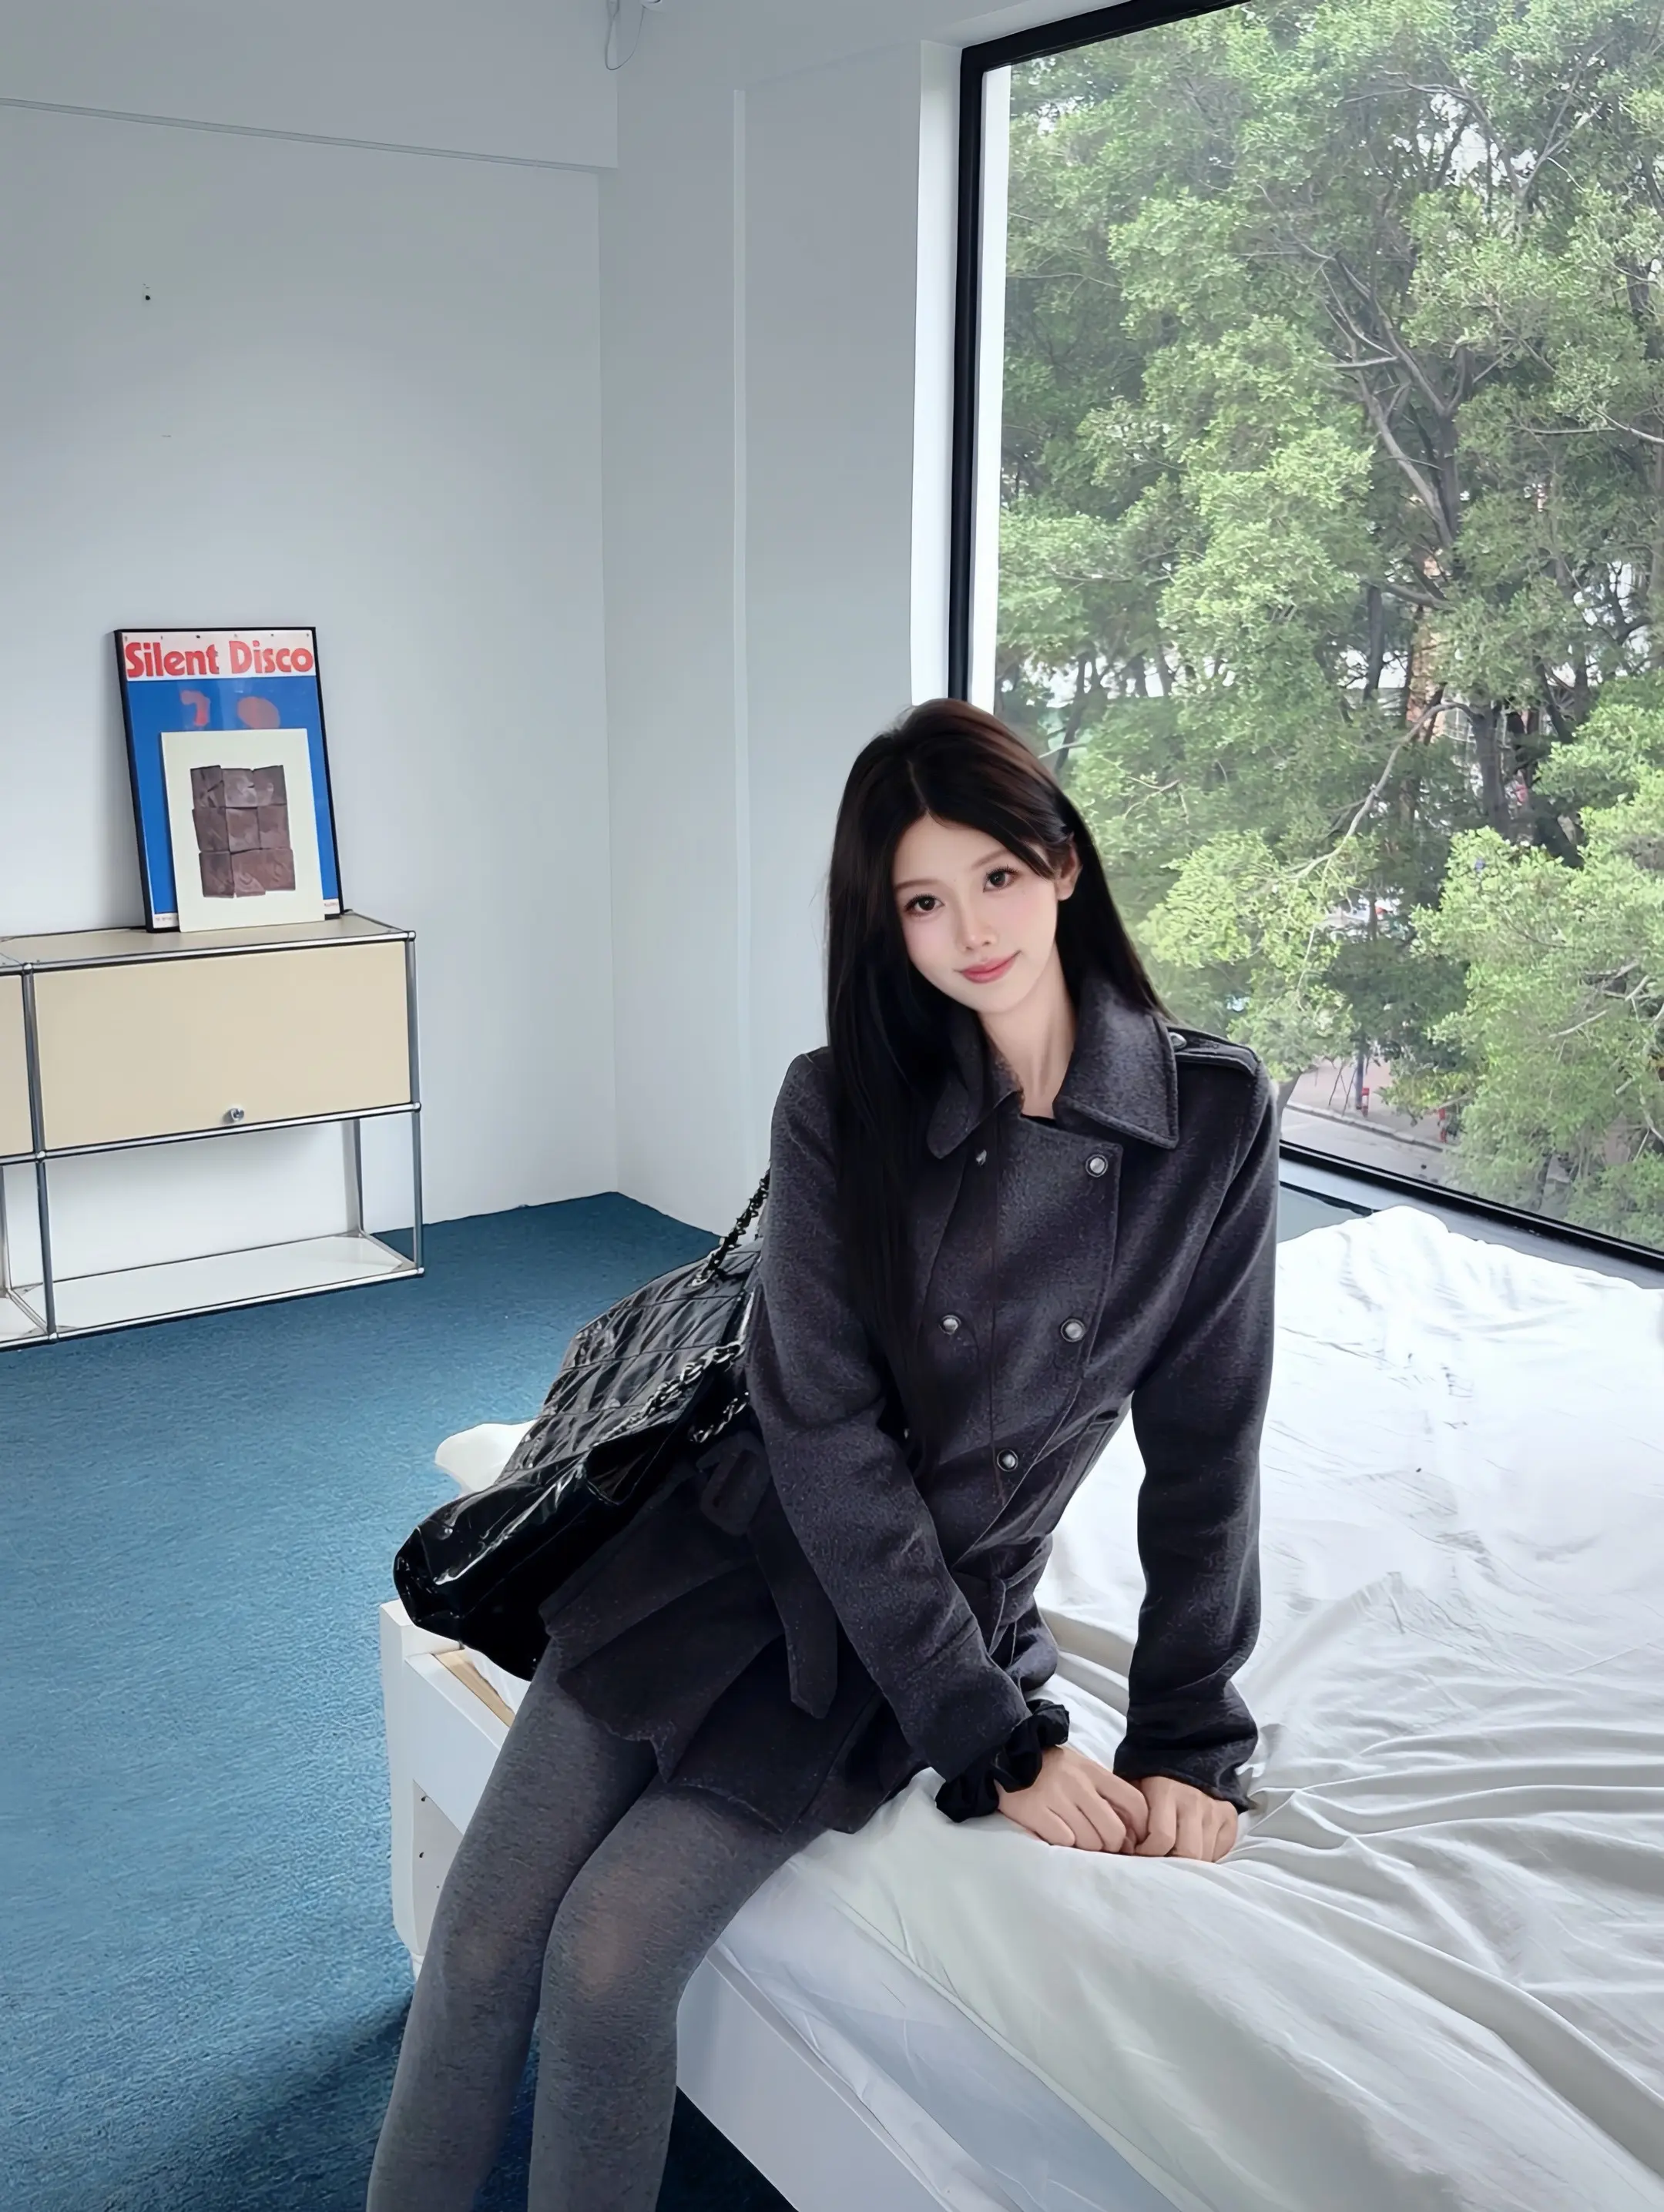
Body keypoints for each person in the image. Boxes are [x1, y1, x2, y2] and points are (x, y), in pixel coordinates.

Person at [365, 698, 1279, 2211]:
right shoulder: (841, 1100)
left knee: (605, 1962)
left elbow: (1208, 1444)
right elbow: (821, 1431)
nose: (968, 930)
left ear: (1062, 862)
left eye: (996, 876)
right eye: (921, 901)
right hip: (717, 1549)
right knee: (478, 1940)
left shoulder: (1214, 1116)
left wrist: (1184, 1737)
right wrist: (996, 1737)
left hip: (889, 1633)